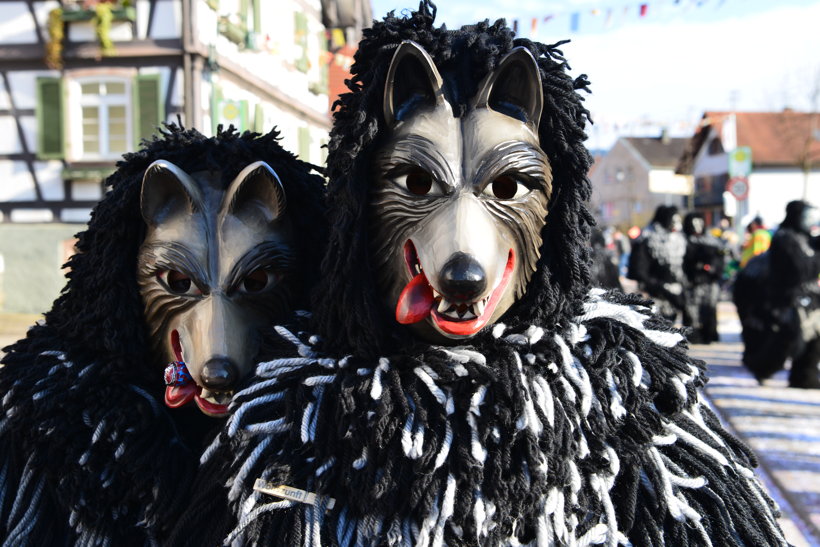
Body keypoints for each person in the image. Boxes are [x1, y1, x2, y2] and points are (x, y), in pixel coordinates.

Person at [175, 4, 788, 545]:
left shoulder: (625, 393)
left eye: (507, 187)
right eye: (415, 184)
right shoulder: (290, 412)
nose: (462, 254)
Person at [0, 126, 328, 543]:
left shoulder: (332, 430)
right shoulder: (43, 423)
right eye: (176, 281)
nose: (217, 352)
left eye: (257, 280)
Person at [627, 204, 688, 322]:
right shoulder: (647, 238)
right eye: (673, 220)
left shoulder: (679, 239)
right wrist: (657, 286)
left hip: (676, 291)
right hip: (654, 292)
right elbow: (639, 268)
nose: (676, 224)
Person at [682, 212, 724, 344]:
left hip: (709, 282)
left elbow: (720, 261)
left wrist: (711, 268)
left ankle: (709, 333)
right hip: (690, 282)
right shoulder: (682, 241)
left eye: (699, 224)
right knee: (691, 310)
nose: (697, 228)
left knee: (709, 308)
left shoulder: (712, 242)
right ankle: (693, 335)